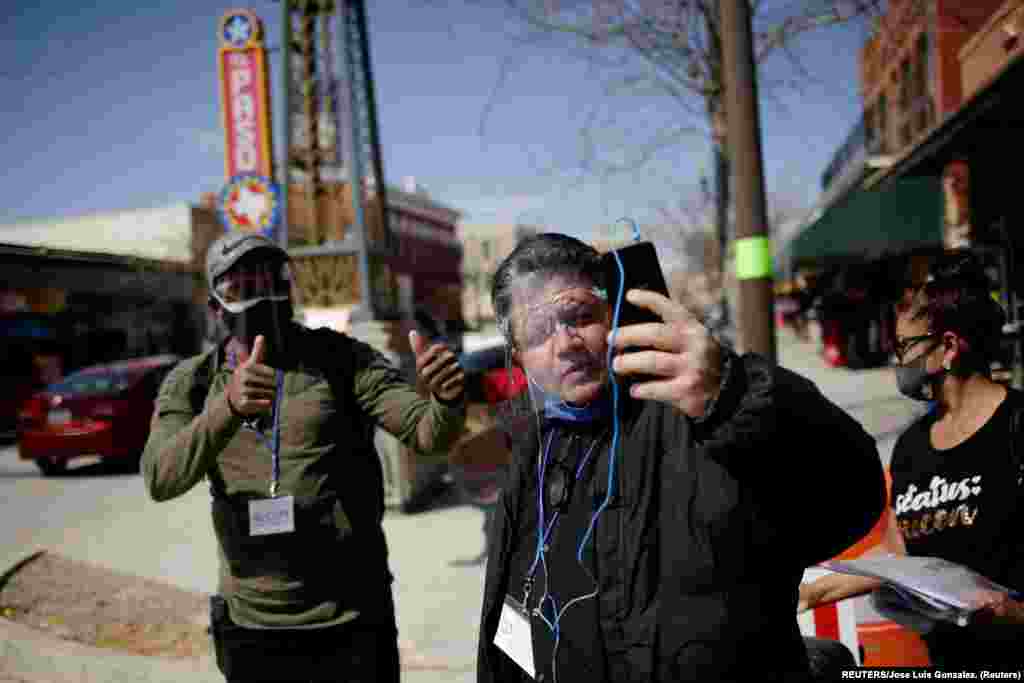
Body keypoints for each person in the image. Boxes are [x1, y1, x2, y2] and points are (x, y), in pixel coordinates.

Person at [475, 233, 886, 683]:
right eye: (538, 332)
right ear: (518, 358)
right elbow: (508, 626)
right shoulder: (532, 455)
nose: (565, 342)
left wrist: (735, 397)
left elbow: (851, 497)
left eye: (579, 316)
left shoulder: (700, 410)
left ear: (614, 313)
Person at [142, 231, 467, 683]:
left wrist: (447, 400)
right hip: (253, 627)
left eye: (272, 279)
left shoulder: (343, 359)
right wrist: (227, 409)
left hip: (352, 620)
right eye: (242, 287)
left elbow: (426, 433)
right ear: (215, 306)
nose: (262, 295)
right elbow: (161, 477)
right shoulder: (193, 383)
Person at [798, 251, 1024, 669]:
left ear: (949, 348)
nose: (897, 361)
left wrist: (1011, 615)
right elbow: (899, 556)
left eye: (904, 347)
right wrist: (814, 592)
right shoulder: (911, 448)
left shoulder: (1015, 428)